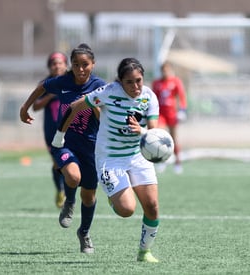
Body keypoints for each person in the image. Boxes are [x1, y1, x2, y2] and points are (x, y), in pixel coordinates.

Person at [52, 57, 161, 263]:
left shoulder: (149, 97)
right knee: (127, 210)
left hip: (137, 156)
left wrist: (142, 130)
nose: (136, 86)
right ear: (120, 81)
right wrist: (60, 136)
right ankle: (113, 195)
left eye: (139, 80)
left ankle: (144, 252)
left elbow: (153, 132)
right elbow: (75, 106)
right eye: (129, 82)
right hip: (110, 158)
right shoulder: (108, 92)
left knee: (153, 206)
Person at [20, 43, 106, 254]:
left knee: (89, 196)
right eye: (75, 64)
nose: (80, 69)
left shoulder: (101, 86)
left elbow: (109, 111)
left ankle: (84, 233)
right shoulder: (63, 81)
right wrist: (25, 107)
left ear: (93, 64)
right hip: (64, 142)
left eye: (85, 64)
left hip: (91, 148)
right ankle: (69, 201)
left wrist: (98, 111)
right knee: (73, 177)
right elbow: (42, 86)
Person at [31, 52, 68, 209]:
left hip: (71, 129)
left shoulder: (72, 81)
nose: (57, 66)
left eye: (60, 63)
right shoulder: (45, 84)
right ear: (49, 67)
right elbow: (35, 106)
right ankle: (60, 190)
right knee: (58, 163)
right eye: (54, 63)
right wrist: (50, 96)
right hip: (51, 131)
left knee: (71, 162)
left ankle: (69, 193)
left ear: (66, 65)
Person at [151, 61, 188, 174]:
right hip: (161, 114)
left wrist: (182, 110)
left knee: (174, 138)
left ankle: (178, 162)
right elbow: (153, 98)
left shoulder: (176, 81)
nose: (165, 72)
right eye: (163, 70)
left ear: (171, 70)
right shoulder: (157, 83)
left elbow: (182, 97)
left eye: (167, 70)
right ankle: (162, 160)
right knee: (160, 137)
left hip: (172, 114)